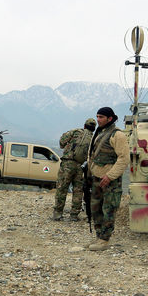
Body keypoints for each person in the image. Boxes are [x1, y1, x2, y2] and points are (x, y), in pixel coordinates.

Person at [86, 107, 129, 251]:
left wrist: (110, 176)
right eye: (97, 116)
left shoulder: (118, 135)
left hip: (110, 179)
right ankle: (99, 236)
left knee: (109, 209)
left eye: (101, 117)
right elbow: (92, 153)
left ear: (109, 118)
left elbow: (124, 158)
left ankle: (105, 239)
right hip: (96, 177)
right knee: (95, 207)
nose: (98, 119)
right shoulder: (99, 133)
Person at [53, 118, 96, 221]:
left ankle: (58, 214)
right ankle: (74, 215)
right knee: (78, 191)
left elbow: (62, 142)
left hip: (68, 163)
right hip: (82, 166)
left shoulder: (76, 131)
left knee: (62, 188)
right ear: (94, 129)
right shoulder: (94, 138)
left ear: (84, 126)